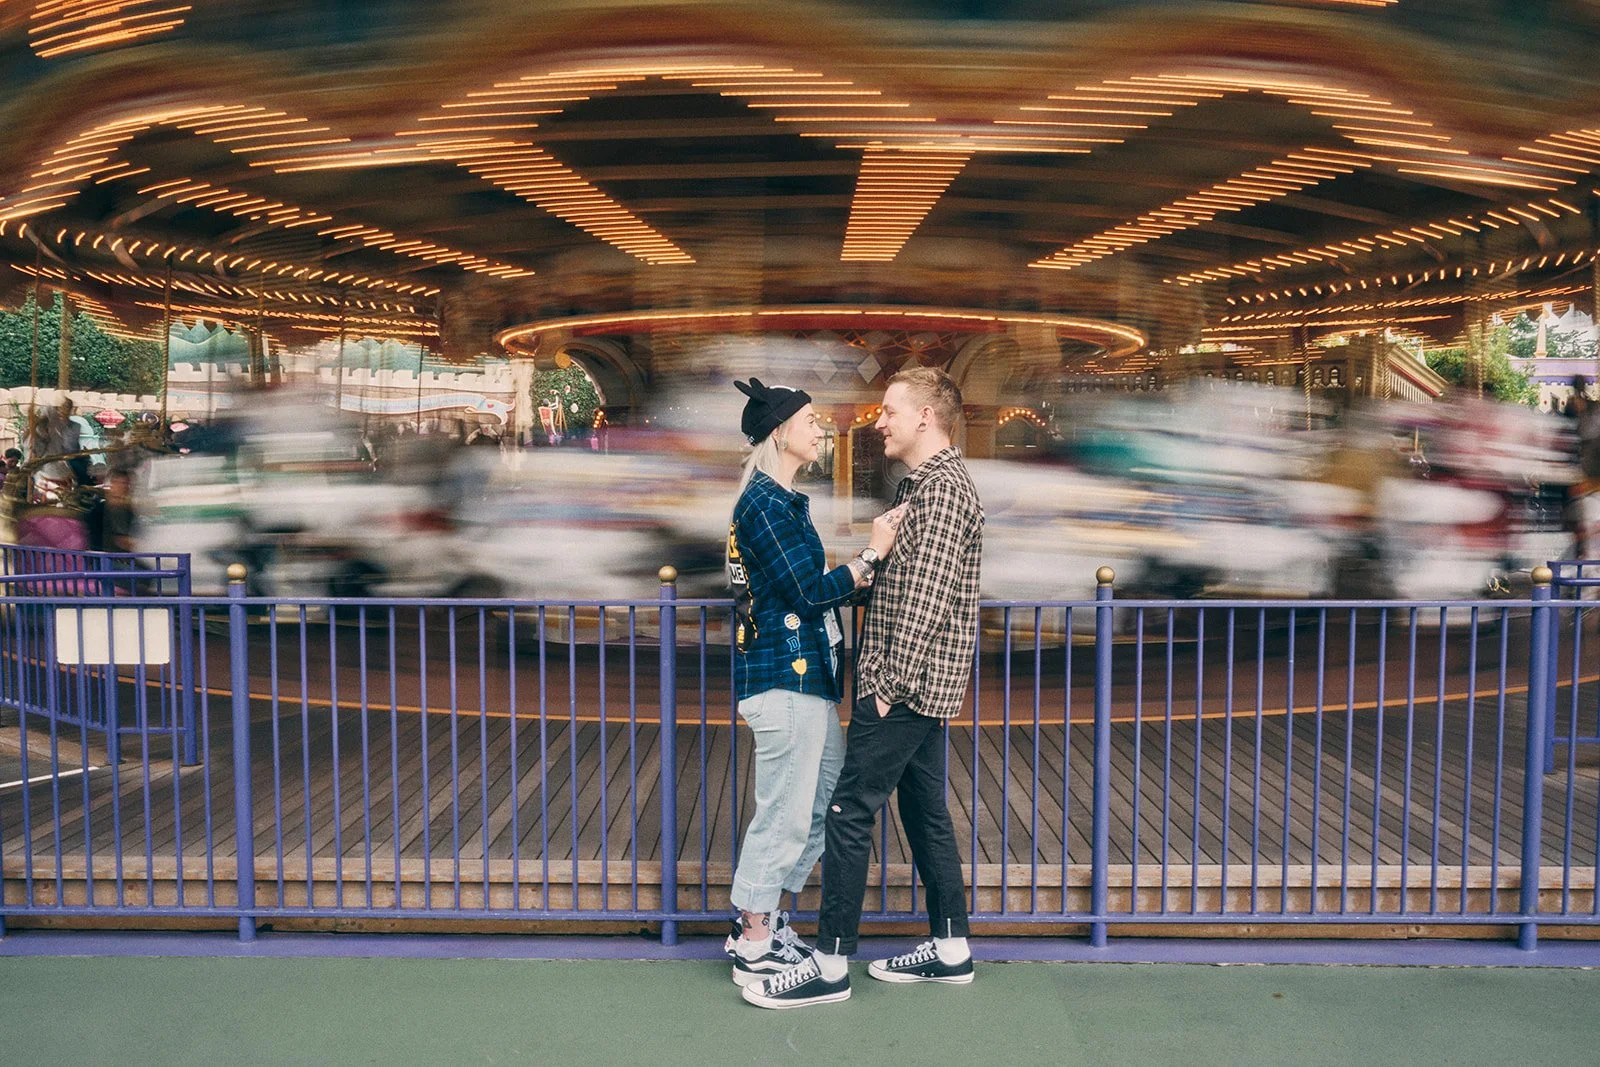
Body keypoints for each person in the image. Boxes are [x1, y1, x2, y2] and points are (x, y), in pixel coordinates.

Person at [743, 367, 983, 1010]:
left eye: (890, 412)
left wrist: (885, 684)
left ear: (926, 418)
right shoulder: (930, 486)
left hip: (900, 684)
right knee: (925, 811)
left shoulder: (941, 491)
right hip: (919, 683)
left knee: (848, 813)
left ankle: (829, 962)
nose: (879, 422)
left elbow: (925, 602)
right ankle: (952, 946)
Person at [723, 377, 904, 989]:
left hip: (808, 678)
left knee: (822, 799)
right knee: (784, 812)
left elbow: (807, 586)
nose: (819, 428)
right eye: (809, 421)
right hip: (784, 675)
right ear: (779, 432)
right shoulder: (764, 504)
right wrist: (872, 555)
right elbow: (807, 590)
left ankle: (765, 916)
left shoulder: (781, 500)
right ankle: (753, 935)